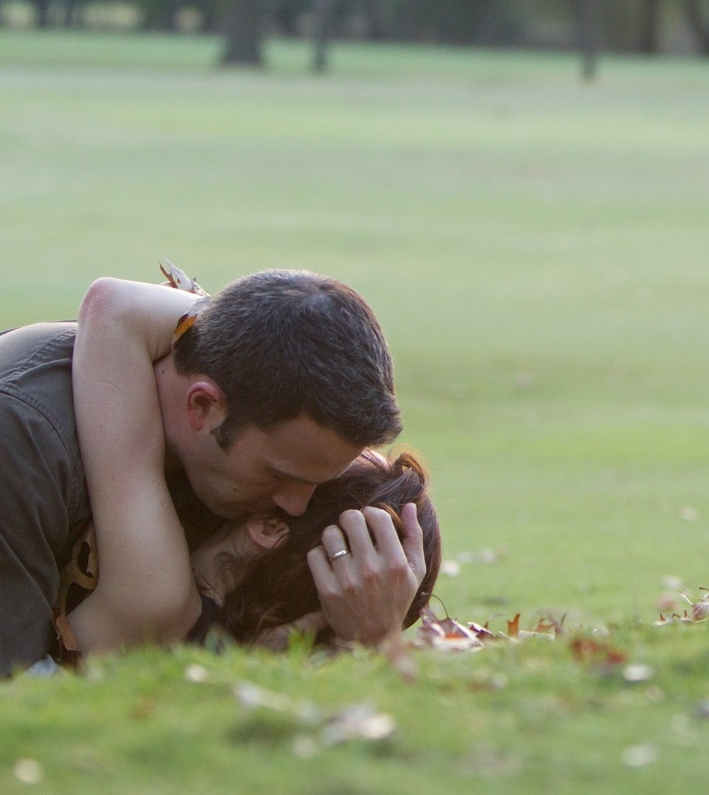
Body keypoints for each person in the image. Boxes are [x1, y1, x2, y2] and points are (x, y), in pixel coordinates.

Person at [0, 269, 405, 681]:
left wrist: (373, 641)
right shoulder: (12, 427)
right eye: (282, 474)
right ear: (203, 407)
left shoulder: (217, 396)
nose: (296, 505)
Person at [62, 275, 437, 658]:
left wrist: (236, 330)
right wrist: (374, 644)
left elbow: (113, 304)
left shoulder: (161, 587)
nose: (295, 505)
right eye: (285, 476)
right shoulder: (159, 598)